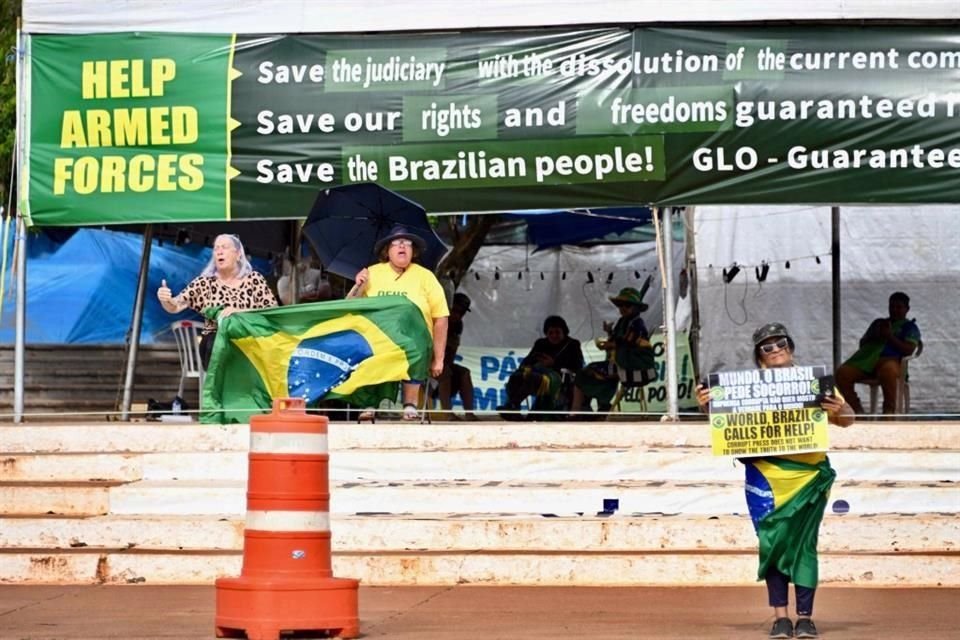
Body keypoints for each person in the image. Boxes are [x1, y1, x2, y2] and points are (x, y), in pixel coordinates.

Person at [696, 323, 854, 640]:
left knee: (805, 546)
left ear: (790, 346)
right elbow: (726, 423)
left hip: (808, 478)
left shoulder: (815, 383)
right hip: (764, 477)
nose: (775, 349)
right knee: (771, 544)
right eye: (766, 347)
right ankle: (781, 618)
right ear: (760, 357)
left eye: (780, 342)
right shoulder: (742, 388)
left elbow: (848, 419)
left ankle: (806, 618)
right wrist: (707, 406)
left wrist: (841, 407)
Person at [349, 224, 449, 421]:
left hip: (415, 341)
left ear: (413, 251)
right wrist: (358, 286)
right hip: (380, 338)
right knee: (365, 345)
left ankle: (410, 404)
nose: (402, 246)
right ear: (387, 251)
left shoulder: (425, 276)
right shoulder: (372, 273)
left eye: (407, 243)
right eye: (396, 243)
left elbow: (441, 318)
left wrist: (439, 358)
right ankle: (369, 403)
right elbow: (349, 306)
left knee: (416, 346)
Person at [157, 234, 278, 369]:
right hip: (216, 343)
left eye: (225, 247)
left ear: (238, 254)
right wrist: (165, 299)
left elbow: (272, 312)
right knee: (215, 344)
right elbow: (175, 306)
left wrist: (241, 312)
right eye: (216, 248)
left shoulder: (254, 280)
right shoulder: (205, 283)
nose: (219, 251)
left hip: (249, 340)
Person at [570, 285, 656, 417]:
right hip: (619, 362)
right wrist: (609, 332)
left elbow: (627, 342)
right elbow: (616, 340)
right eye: (621, 305)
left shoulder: (637, 323)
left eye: (627, 305)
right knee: (588, 373)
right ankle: (593, 408)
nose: (622, 308)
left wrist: (609, 345)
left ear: (636, 308)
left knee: (589, 371)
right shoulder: (623, 321)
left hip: (631, 365)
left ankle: (577, 412)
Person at [835, 291, 921, 414]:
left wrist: (890, 336)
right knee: (842, 373)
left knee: (889, 370)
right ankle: (857, 412)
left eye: (899, 307)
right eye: (892, 307)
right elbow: (863, 344)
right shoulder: (879, 323)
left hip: (892, 362)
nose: (894, 310)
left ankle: (888, 414)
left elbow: (909, 349)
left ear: (907, 309)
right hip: (867, 362)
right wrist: (875, 335)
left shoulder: (910, 327)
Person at [498, 315, 584, 420]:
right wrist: (527, 366)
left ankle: (514, 404)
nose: (554, 336)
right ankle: (513, 407)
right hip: (539, 372)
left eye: (557, 332)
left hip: (558, 378)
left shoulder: (572, 344)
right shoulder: (541, 343)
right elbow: (528, 360)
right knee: (517, 377)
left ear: (564, 332)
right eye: (550, 333)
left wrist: (554, 364)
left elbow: (578, 366)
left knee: (531, 379)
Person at [436, 292, 477, 420]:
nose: (458, 315)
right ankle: (448, 413)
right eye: (456, 310)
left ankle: (469, 413)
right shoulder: (438, 319)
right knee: (445, 372)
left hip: (444, 361)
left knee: (464, 373)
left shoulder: (458, 325)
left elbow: (452, 352)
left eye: (462, 312)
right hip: (428, 360)